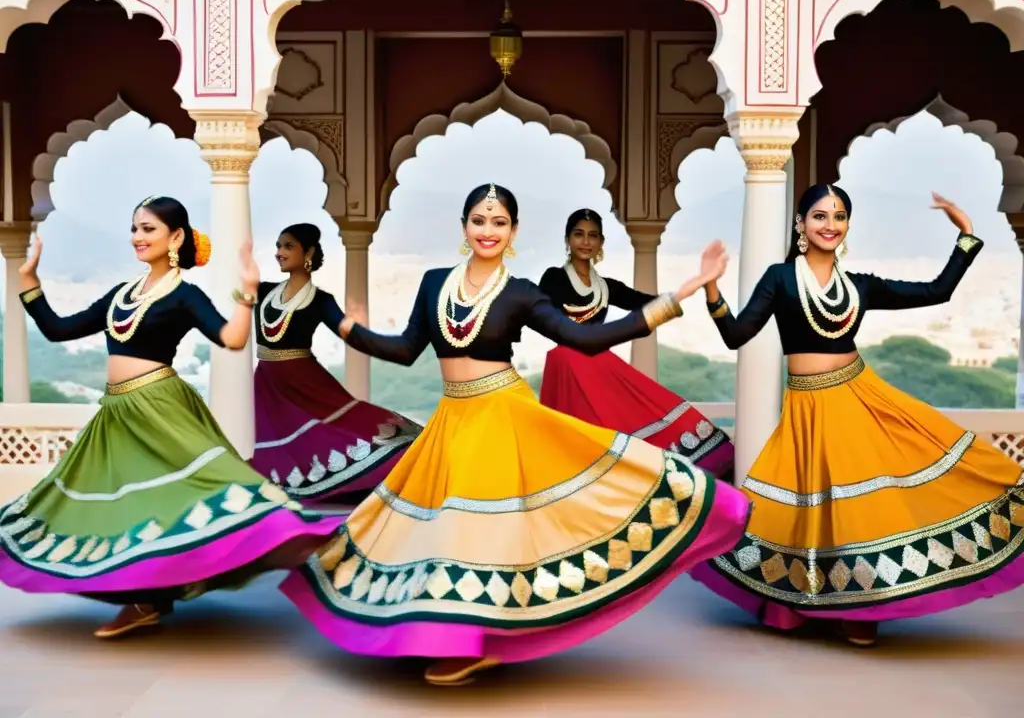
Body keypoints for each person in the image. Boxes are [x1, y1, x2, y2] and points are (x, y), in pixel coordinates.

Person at [280, 183, 752, 686]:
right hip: (452, 420)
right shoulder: (435, 282)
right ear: (464, 226)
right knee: (433, 531)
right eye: (480, 221)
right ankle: (448, 636)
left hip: (503, 417)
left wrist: (678, 295)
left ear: (514, 231)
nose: (488, 231)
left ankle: (472, 643)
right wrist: (349, 329)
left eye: (499, 222)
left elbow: (586, 337)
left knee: (479, 532)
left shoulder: (522, 291)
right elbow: (403, 349)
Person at [692, 185, 1024, 647]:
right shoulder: (780, 278)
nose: (830, 224)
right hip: (808, 407)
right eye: (820, 216)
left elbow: (937, 291)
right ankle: (800, 608)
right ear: (801, 225)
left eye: (840, 216)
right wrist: (711, 287)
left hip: (858, 397)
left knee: (859, 511)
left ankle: (863, 611)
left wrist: (966, 235)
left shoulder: (860, 285)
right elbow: (736, 333)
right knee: (810, 511)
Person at [0, 197, 342, 639]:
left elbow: (232, 338)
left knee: (202, 491)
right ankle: (145, 600)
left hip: (160, 409)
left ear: (175, 237)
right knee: (126, 509)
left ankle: (300, 542)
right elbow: (58, 329)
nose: (138, 238)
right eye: (135, 229)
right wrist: (29, 284)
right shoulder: (120, 295)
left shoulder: (183, 296)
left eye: (149, 230)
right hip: (117, 414)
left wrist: (247, 292)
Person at [537, 208, 734, 478]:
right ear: (568, 240)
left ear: (601, 243)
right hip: (568, 368)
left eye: (593, 236)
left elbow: (647, 304)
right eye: (579, 234)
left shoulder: (607, 287)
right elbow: (549, 322)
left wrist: (695, 285)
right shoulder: (553, 279)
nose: (585, 241)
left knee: (639, 416)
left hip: (598, 366)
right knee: (579, 445)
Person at [250, 223, 421, 504]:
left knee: (347, 432)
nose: (279, 252)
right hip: (269, 383)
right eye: (278, 246)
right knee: (276, 448)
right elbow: (236, 284)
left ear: (309, 253)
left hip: (306, 382)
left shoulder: (320, 300)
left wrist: (399, 347)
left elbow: (351, 334)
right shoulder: (263, 291)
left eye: (288, 246)